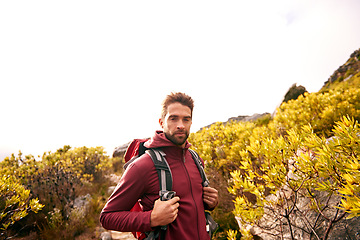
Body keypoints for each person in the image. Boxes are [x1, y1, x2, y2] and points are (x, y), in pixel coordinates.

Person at [100, 92, 219, 240]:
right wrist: (151, 219)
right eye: (173, 118)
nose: (180, 125)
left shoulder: (195, 159)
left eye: (186, 119)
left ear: (191, 122)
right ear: (162, 122)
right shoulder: (143, 166)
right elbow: (107, 217)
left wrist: (210, 204)